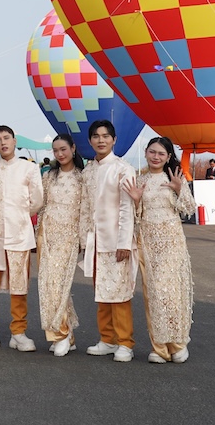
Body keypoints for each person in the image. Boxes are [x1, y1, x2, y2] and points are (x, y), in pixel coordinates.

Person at [123, 136, 194, 364]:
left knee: (171, 292)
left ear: (168, 156)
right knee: (152, 293)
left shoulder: (175, 178)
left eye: (161, 153)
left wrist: (180, 189)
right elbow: (136, 217)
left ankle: (178, 343)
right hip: (148, 241)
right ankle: (160, 347)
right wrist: (136, 200)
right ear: (145, 152)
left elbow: (189, 209)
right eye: (152, 152)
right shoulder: (140, 180)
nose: (156, 157)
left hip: (171, 241)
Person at [0, 125, 44, 352]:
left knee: (19, 287)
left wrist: (19, 216)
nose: (3, 142)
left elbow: (37, 200)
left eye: (6, 138)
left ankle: (18, 333)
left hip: (19, 235)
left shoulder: (28, 168)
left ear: (14, 141)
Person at [80, 119, 137, 363]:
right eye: (96, 136)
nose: (101, 140)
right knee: (101, 292)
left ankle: (125, 343)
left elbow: (126, 207)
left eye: (105, 136)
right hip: (95, 241)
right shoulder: (88, 171)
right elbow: (84, 207)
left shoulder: (123, 169)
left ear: (114, 140)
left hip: (116, 241)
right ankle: (107, 339)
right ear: (90, 140)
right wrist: (83, 239)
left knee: (119, 293)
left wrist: (124, 242)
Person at [36, 133, 84, 357]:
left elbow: (86, 210)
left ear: (73, 148)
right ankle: (65, 335)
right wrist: (38, 234)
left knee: (59, 285)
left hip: (69, 236)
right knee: (47, 285)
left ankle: (62, 333)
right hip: (47, 234)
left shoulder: (82, 177)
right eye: (56, 151)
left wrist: (83, 238)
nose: (60, 154)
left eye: (63, 149)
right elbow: (42, 205)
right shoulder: (49, 176)